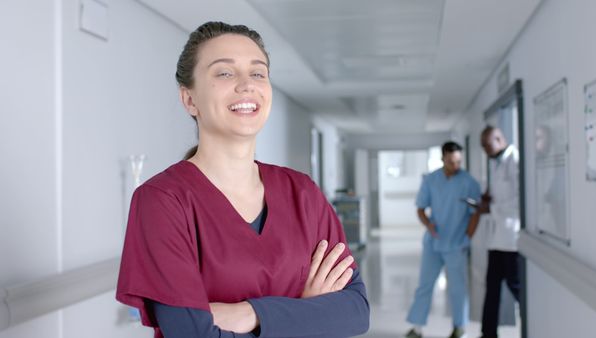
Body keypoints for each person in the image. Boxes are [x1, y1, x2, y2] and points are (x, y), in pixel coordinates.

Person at [115, 21, 369, 338]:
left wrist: (250, 313)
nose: (247, 84)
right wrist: (305, 314)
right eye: (225, 73)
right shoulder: (162, 201)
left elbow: (356, 310)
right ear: (189, 99)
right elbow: (194, 335)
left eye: (258, 73)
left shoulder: (302, 192)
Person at [405, 142, 481, 338]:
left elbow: (475, 214)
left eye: (458, 162)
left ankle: (459, 328)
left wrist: (467, 238)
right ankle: (417, 327)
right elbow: (420, 209)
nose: (455, 166)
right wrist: (428, 224)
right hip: (434, 241)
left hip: (457, 243)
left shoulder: (469, 183)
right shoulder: (431, 180)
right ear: (442, 159)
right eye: (451, 161)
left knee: (458, 288)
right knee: (425, 285)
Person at [477, 126, 521, 338]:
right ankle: (488, 334)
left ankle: (534, 326)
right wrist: (487, 199)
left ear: (498, 138)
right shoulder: (495, 163)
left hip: (511, 240)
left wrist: (491, 208)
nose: (485, 150)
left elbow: (519, 201)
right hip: (496, 240)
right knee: (491, 289)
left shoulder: (515, 160)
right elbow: (499, 195)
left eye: (487, 145)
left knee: (517, 287)